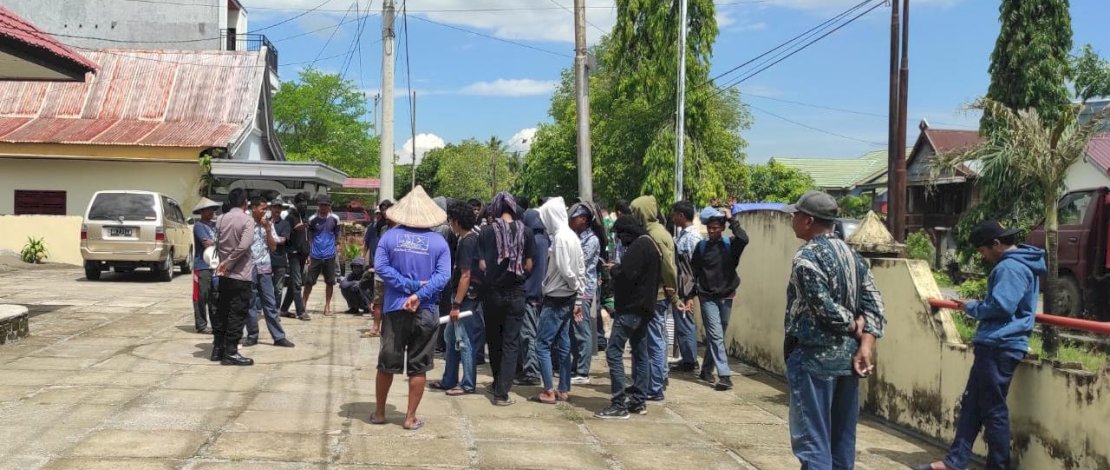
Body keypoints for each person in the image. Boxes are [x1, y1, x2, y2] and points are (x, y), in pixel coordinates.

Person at [916, 220, 1044, 470]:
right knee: (973, 404)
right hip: (997, 343)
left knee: (992, 409)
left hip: (1000, 344)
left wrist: (973, 307)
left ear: (996, 244)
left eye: (983, 251)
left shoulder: (1010, 268)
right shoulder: (1018, 265)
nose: (983, 256)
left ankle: (997, 465)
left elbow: (1001, 306)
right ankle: (955, 461)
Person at [782, 191, 885, 469]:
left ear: (808, 221)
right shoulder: (853, 255)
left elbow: (821, 306)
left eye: (796, 215)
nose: (793, 219)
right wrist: (865, 346)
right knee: (841, 441)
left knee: (813, 442)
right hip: (848, 361)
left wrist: (852, 325)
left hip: (814, 359)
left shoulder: (807, 257)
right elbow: (875, 303)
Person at [371, 186, 452, 431]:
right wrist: (419, 292)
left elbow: (381, 268)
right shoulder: (439, 242)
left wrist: (407, 287)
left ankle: (379, 412)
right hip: (426, 310)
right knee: (419, 366)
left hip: (395, 308)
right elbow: (444, 276)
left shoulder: (389, 237)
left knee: (386, 363)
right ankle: (409, 417)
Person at [594, 215, 661, 420]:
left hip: (631, 309)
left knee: (613, 352)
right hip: (644, 309)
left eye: (620, 235)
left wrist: (613, 269)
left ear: (627, 232)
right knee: (640, 354)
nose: (619, 239)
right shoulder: (649, 244)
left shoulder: (639, 247)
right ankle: (639, 401)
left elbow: (626, 275)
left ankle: (618, 403)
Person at [477, 192, 535, 406]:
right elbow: (529, 265)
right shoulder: (526, 232)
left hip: (492, 293)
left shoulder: (486, 232)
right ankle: (502, 393)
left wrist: (493, 272)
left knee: (494, 339)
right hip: (516, 293)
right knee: (511, 342)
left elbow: (482, 265)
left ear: (496, 210)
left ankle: (496, 381)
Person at [691, 206, 750, 391]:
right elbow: (694, 272)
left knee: (718, 335)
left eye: (716, 227)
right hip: (707, 297)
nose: (712, 231)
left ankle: (706, 369)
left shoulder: (730, 245)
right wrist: (691, 295)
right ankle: (724, 375)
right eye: (709, 228)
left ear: (722, 228)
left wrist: (732, 219)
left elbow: (744, 238)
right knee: (716, 335)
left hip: (726, 296)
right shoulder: (701, 247)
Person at [534, 196, 586, 404]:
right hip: (568, 297)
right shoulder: (572, 236)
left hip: (557, 296)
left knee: (542, 344)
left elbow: (566, 270)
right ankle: (563, 388)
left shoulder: (562, 238)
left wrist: (574, 285)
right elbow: (580, 267)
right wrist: (579, 294)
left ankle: (549, 390)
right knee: (563, 343)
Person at [630, 195, 680, 401]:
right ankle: (651, 382)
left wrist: (672, 290)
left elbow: (669, 267)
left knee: (655, 341)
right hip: (654, 293)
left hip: (657, 294)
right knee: (653, 339)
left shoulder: (656, 235)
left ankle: (655, 386)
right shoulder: (653, 232)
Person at [429, 200, 482, 396]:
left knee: (465, 340)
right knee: (450, 337)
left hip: (465, 299)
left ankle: (468, 383)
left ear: (457, 221)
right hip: (462, 297)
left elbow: (466, 275)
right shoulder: (467, 239)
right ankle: (449, 379)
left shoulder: (468, 242)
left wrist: (456, 304)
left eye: (450, 220)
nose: (449, 224)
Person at [212, 188, 256, 366]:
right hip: (240, 274)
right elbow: (243, 246)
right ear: (245, 202)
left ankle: (218, 348)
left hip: (224, 274)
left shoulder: (220, 219)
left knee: (222, 311)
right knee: (237, 313)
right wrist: (229, 262)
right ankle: (231, 351)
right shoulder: (247, 220)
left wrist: (224, 262)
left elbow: (219, 242)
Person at [244, 197, 294, 348]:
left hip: (264, 267)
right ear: (253, 209)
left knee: (270, 303)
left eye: (266, 209)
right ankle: (252, 335)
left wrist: (267, 230)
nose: (265, 212)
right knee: (250, 303)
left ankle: (278, 337)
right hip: (249, 267)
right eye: (262, 209)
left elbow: (272, 247)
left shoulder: (269, 225)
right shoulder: (246, 224)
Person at [568, 201, 606, 385]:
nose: (571, 221)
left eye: (574, 218)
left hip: (583, 291)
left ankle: (583, 370)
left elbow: (577, 262)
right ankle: (576, 366)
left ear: (583, 219)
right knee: (575, 331)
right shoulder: (577, 237)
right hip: (574, 290)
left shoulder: (591, 240)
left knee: (582, 330)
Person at [515, 208, 549, 386]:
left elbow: (527, 268)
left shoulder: (533, 241)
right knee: (535, 333)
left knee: (528, 334)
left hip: (529, 293)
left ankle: (532, 372)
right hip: (541, 294)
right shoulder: (546, 240)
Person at [669, 200, 702, 373]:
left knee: (685, 322)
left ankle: (690, 360)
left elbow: (695, 266)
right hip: (681, 286)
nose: (673, 218)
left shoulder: (692, 238)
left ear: (681, 215)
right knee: (681, 323)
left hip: (686, 287)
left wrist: (691, 294)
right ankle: (687, 357)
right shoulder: (682, 235)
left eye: (674, 214)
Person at [303, 193, 342, 316]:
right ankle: (303, 304)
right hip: (315, 254)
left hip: (330, 254)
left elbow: (338, 234)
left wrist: (337, 247)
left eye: (326, 205)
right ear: (318, 206)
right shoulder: (312, 219)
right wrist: (308, 253)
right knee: (309, 281)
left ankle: (327, 305)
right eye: (321, 205)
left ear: (329, 206)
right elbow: (309, 236)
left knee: (330, 281)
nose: (324, 207)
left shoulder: (335, 219)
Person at [363, 200, 395, 338]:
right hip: (381, 270)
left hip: (395, 272)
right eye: (382, 211)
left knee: (392, 301)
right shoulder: (381, 229)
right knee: (378, 301)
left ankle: (390, 329)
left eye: (386, 210)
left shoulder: (401, 228)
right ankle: (376, 327)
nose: (384, 214)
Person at [191, 197, 221, 335]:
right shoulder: (199, 226)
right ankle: (201, 324)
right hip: (202, 266)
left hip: (214, 266)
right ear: (202, 211)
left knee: (214, 296)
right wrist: (220, 243)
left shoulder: (213, 226)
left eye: (213, 210)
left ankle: (214, 323)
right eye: (210, 210)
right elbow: (207, 243)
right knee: (201, 297)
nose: (212, 212)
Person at [280, 192, 310, 321]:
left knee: (294, 283)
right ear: (296, 204)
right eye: (301, 203)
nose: (304, 205)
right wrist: (294, 230)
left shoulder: (306, 217)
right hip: (293, 254)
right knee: (297, 283)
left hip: (304, 254)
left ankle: (284, 309)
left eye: (306, 203)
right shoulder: (290, 218)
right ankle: (301, 311)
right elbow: (285, 236)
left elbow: (308, 237)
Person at [268, 198, 293, 322]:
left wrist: (270, 237)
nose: (277, 210)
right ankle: (261, 310)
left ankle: (276, 311)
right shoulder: (265, 222)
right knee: (263, 288)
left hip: (280, 261)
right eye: (275, 207)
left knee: (278, 289)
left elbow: (284, 240)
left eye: (279, 207)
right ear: (271, 209)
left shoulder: (285, 224)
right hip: (265, 260)